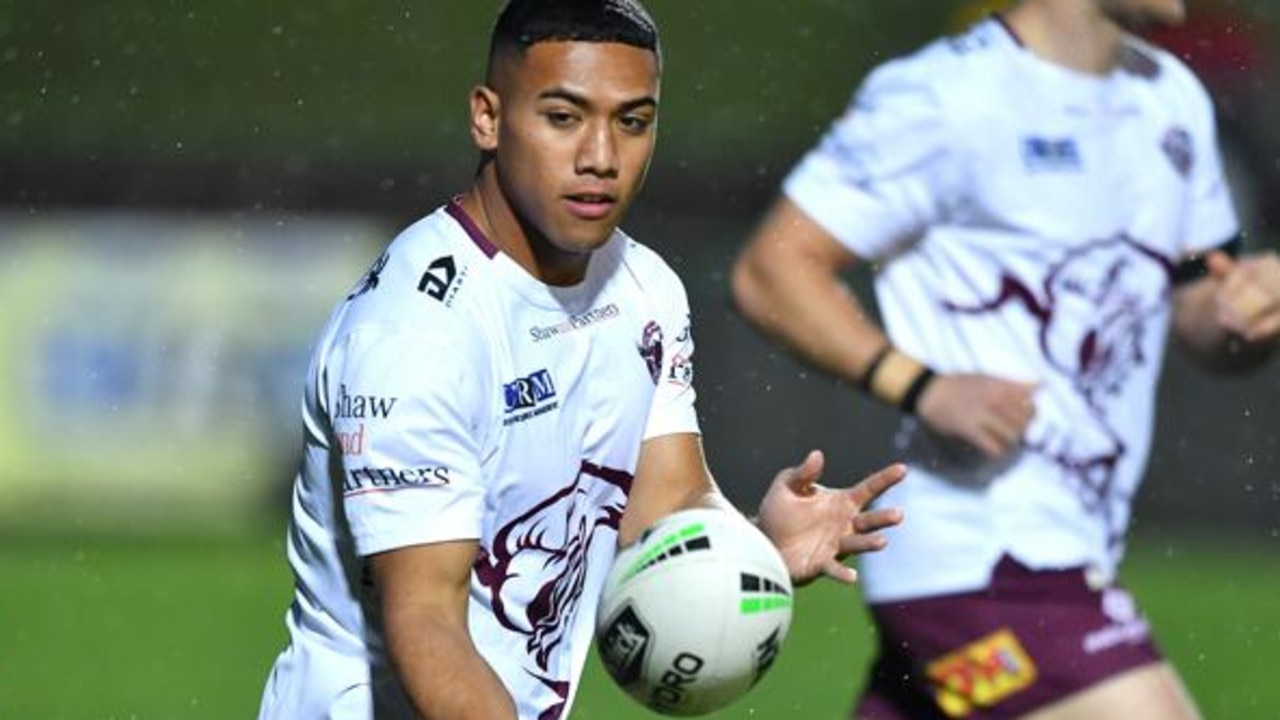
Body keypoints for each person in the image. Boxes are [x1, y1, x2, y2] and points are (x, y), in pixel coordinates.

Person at [255, 2, 907, 719]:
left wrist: (748, 553)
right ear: (487, 117)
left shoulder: (643, 288)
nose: (600, 156)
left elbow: (664, 508)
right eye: (563, 117)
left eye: (632, 121)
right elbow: (428, 624)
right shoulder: (416, 335)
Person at [731, 1, 1280, 719]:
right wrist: (921, 386)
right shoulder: (943, 94)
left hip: (1063, 549)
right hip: (980, 557)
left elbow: (1197, 314)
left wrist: (1244, 313)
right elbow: (772, 269)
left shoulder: (1171, 97)